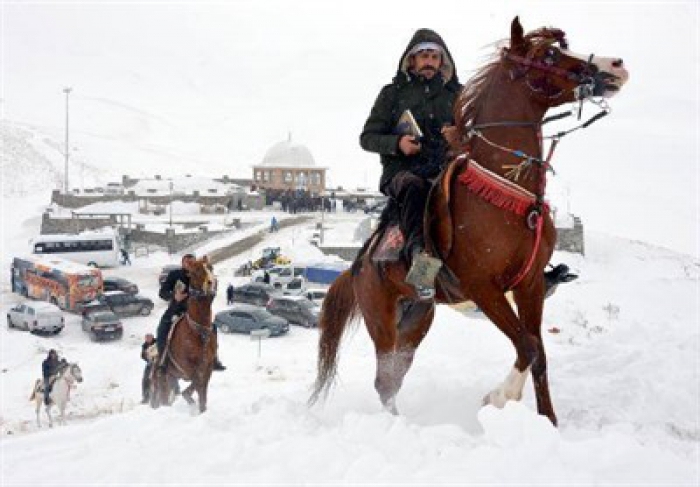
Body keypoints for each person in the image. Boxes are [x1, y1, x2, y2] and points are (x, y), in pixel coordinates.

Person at [360, 29, 462, 299]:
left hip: (446, 169)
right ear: (412, 61)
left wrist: (459, 136)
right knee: (416, 189)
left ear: (443, 61)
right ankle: (422, 268)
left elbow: (478, 134)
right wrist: (397, 144)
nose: (429, 61)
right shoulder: (392, 94)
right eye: (423, 56)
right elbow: (367, 138)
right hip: (402, 173)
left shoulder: (459, 95)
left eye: (434, 56)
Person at [157, 254, 226, 371]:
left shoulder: (201, 274)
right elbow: (162, 292)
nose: (189, 264)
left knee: (212, 328)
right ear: (182, 263)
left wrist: (209, 268)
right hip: (177, 309)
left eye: (192, 262)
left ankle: (214, 358)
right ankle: (163, 360)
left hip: (198, 312)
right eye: (187, 262)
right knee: (163, 328)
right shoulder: (175, 275)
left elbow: (211, 284)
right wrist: (174, 296)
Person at [140, 333, 156, 404]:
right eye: (146, 338)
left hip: (159, 362)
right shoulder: (144, 346)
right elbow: (143, 355)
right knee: (145, 379)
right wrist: (147, 357)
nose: (148, 339)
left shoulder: (157, 342)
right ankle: (146, 397)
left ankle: (176, 391)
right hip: (150, 364)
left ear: (152, 337)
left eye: (149, 337)